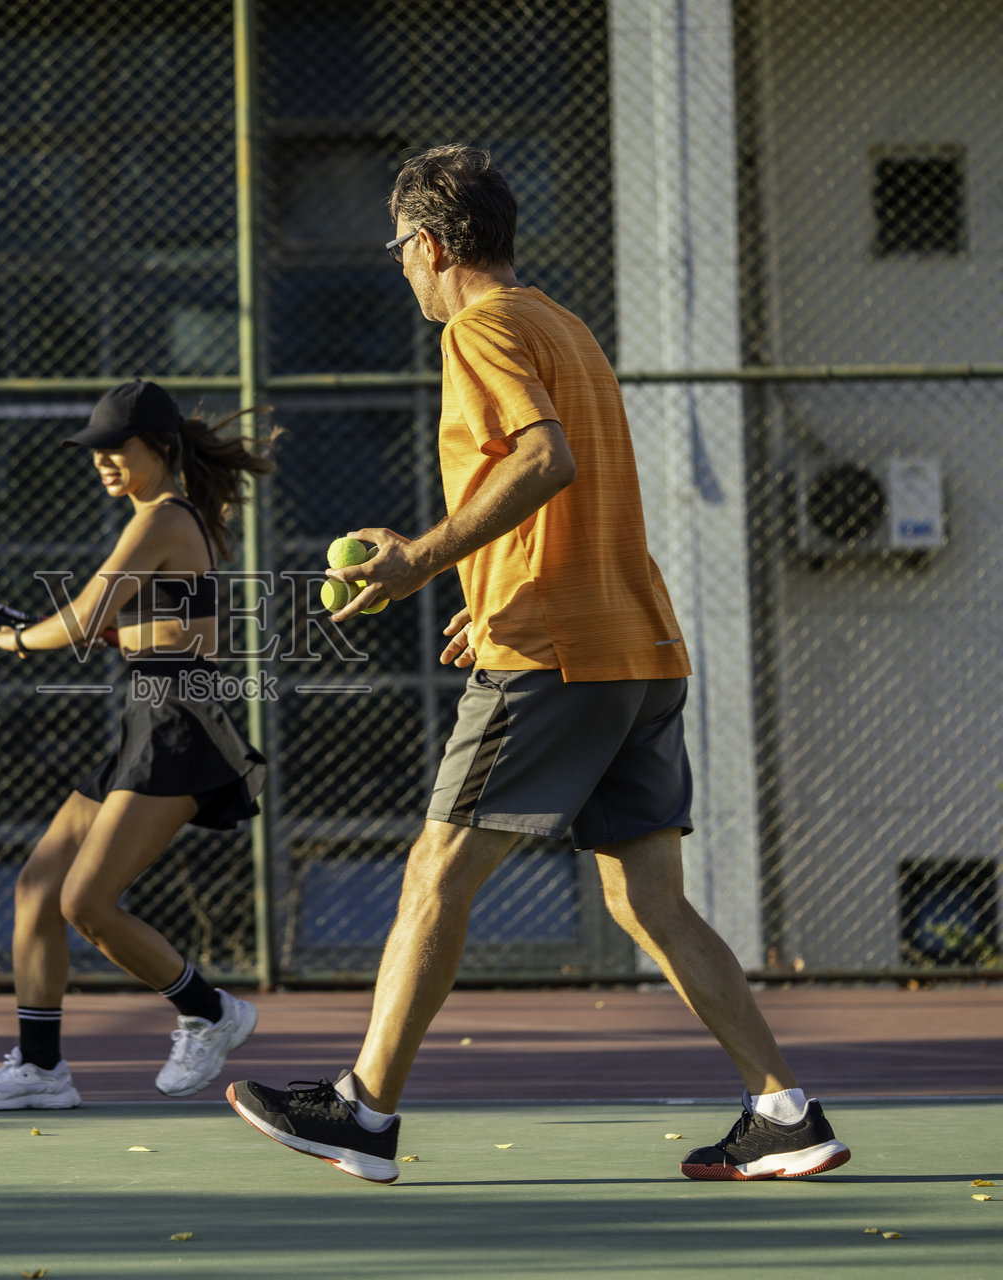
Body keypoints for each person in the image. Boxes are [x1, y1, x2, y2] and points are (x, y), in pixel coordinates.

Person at [226, 144, 850, 1183]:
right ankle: (784, 1111)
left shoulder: (478, 328)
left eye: (398, 250)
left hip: (555, 658)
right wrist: (490, 590)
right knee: (647, 901)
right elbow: (557, 487)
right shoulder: (561, 321)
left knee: (436, 869)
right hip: (635, 647)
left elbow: (541, 457)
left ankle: (364, 1111)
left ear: (427, 245)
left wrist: (423, 560)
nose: (400, 268)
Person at [0, 378, 271, 1111]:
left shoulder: (160, 517)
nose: (100, 460)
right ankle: (40, 1070)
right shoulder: (161, 521)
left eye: (114, 447)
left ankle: (211, 1011)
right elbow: (156, 623)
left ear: (158, 449)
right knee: (38, 887)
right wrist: (117, 630)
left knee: (87, 902)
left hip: (178, 723)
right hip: (147, 712)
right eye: (92, 450)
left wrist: (19, 640)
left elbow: (80, 617)